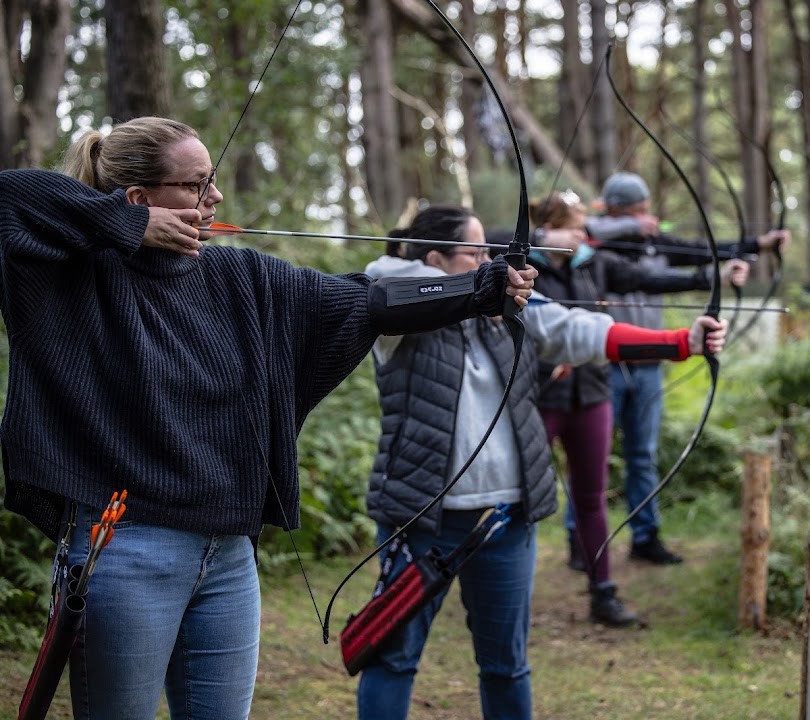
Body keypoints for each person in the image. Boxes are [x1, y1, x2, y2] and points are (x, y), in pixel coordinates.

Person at [0, 116, 534, 720]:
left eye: (214, 181)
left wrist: (485, 287)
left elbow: (366, 301)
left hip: (229, 555)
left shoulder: (240, 277)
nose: (215, 198)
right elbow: (8, 197)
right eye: (197, 184)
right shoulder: (65, 278)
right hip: (126, 551)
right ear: (141, 199)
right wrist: (124, 228)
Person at [357, 205, 729, 719]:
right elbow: (383, 277)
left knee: (506, 664)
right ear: (437, 258)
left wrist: (682, 342)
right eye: (475, 251)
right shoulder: (394, 305)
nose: (489, 260)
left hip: (503, 522)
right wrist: (481, 286)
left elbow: (581, 330)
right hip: (420, 516)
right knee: (392, 659)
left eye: (491, 251)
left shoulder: (509, 309)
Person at [523, 191, 749, 627]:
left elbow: (649, 279)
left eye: (584, 227)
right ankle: (506, 591)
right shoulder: (522, 267)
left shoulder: (594, 263)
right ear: (547, 229)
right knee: (522, 496)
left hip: (591, 394)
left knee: (592, 497)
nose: (582, 235)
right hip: (538, 397)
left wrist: (712, 276)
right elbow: (527, 324)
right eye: (573, 227)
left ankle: (602, 593)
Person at [593, 172, 791, 566]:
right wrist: (628, 227)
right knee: (593, 456)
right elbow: (588, 234)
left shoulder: (654, 243)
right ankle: (583, 540)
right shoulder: (590, 246)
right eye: (636, 212)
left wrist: (757, 245)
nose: (646, 217)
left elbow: (704, 251)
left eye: (646, 209)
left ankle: (645, 536)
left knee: (642, 456)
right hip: (603, 363)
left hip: (650, 362)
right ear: (613, 210)